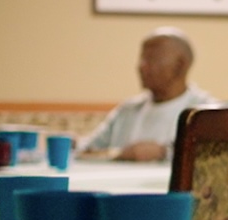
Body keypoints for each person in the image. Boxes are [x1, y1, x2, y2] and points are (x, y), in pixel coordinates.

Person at [80, 28, 214, 162]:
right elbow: (89, 149)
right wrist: (72, 144)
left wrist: (163, 153)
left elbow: (215, 158)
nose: (141, 66)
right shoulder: (127, 110)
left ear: (180, 65)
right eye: (142, 58)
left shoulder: (206, 113)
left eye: (151, 59)